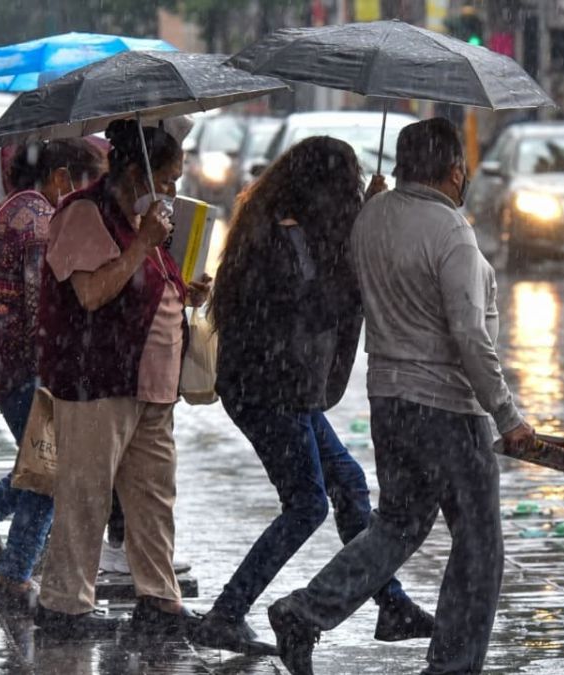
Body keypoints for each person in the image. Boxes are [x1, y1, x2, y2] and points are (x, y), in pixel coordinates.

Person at [266, 118, 536, 675]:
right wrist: (507, 414)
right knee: (479, 545)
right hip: (448, 408)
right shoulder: (451, 231)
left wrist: (373, 207)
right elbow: (469, 334)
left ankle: (306, 611)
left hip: (390, 402)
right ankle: (453, 665)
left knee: (397, 525)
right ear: (455, 169)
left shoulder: (371, 218)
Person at [192, 137, 434, 655]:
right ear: (321, 186)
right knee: (306, 505)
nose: (349, 192)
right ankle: (227, 613)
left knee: (347, 483)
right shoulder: (281, 236)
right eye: (345, 183)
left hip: (282, 388)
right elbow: (314, 306)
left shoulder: (293, 226)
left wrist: (364, 220)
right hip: (266, 390)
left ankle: (390, 605)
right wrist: (358, 244)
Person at [34, 118, 210, 639]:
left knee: (153, 498)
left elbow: (147, 283)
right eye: (169, 178)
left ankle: (158, 598)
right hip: (98, 380)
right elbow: (92, 293)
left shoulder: (144, 220)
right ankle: (65, 604)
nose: (174, 189)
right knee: (86, 495)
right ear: (138, 173)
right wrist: (144, 244)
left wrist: (184, 291)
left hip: (152, 386)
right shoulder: (85, 214)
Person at [0, 139, 106, 613]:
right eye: (85, 185)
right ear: (61, 178)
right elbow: (44, 308)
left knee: (41, 461)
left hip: (3, 361)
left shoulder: (14, 207)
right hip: (23, 366)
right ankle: (13, 574)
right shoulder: (39, 222)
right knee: (50, 469)